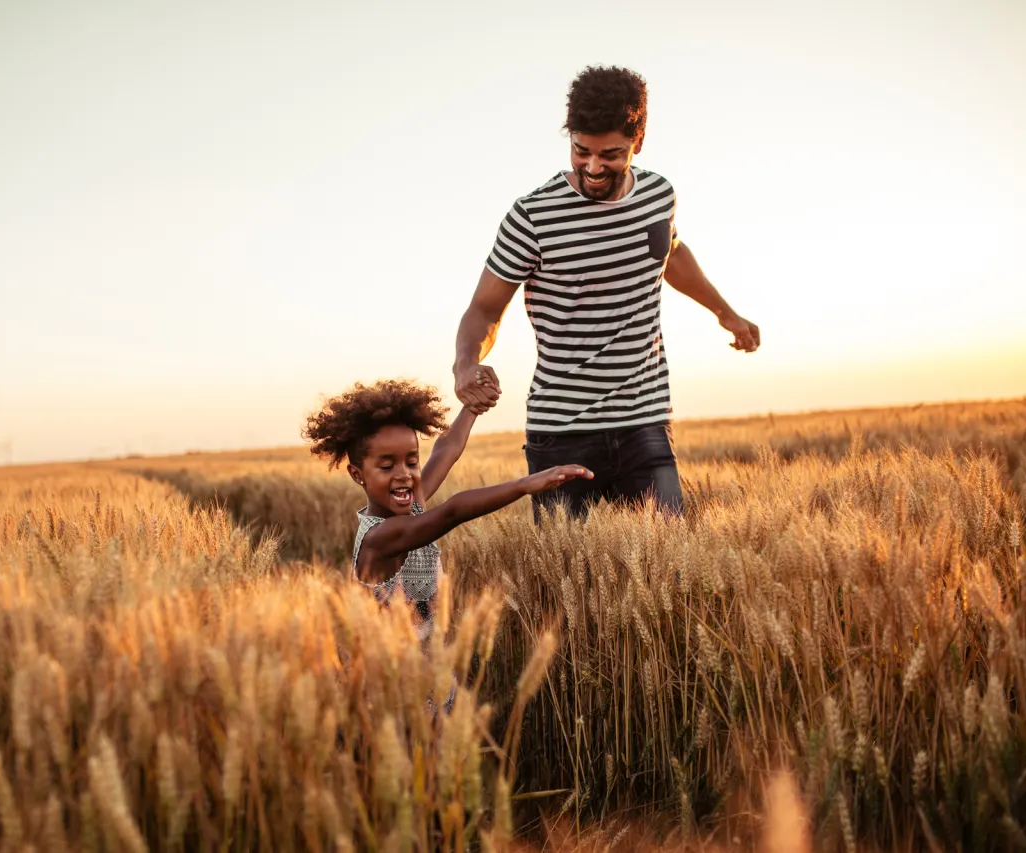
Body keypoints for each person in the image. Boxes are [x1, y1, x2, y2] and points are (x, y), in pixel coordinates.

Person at [452, 65, 760, 520]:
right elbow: (484, 308)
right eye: (582, 151)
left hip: (645, 421)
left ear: (638, 141)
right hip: (561, 431)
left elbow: (670, 254)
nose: (594, 168)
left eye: (611, 154)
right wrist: (466, 365)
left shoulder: (658, 195)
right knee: (567, 582)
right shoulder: (533, 216)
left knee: (669, 570)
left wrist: (725, 313)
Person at [302, 379, 591, 712]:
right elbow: (453, 510)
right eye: (386, 466)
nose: (405, 475)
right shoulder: (378, 540)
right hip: (392, 698)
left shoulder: (412, 504)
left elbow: (447, 449)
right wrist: (525, 485)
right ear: (357, 474)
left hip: (435, 685)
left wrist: (472, 408)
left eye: (411, 461)